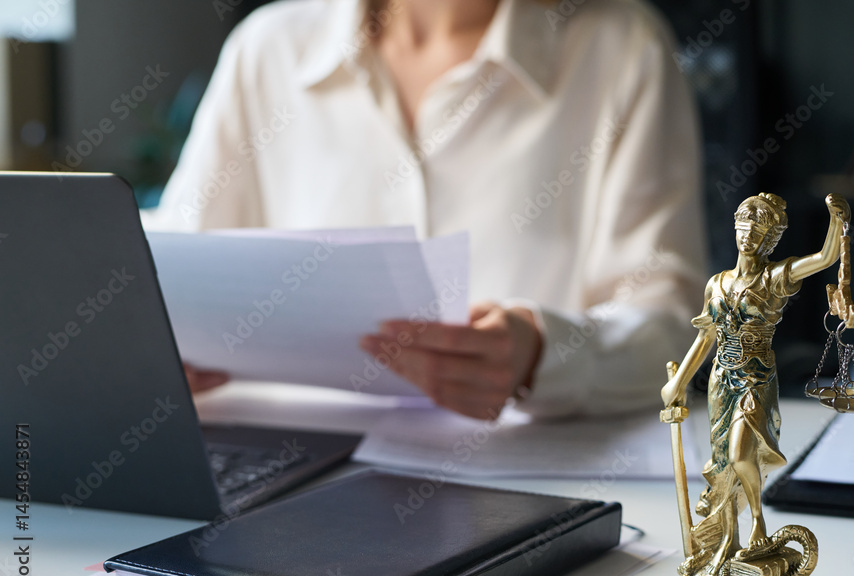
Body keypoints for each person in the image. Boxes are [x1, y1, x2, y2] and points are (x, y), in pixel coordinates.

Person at [150, 0, 708, 419]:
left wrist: (540, 353)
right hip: (273, 472)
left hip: (520, 485)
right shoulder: (266, 50)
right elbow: (169, 277)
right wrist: (158, 353)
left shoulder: (621, 49)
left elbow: (671, 328)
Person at [660, 192, 848, 574]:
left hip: (755, 379)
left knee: (741, 454)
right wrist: (677, 382)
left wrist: (837, 221)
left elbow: (824, 259)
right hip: (720, 382)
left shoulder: (774, 278)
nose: (748, 237)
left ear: (769, 239)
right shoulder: (717, 284)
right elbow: (706, 337)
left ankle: (758, 522)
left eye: (757, 232)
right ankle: (723, 545)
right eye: (743, 228)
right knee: (720, 467)